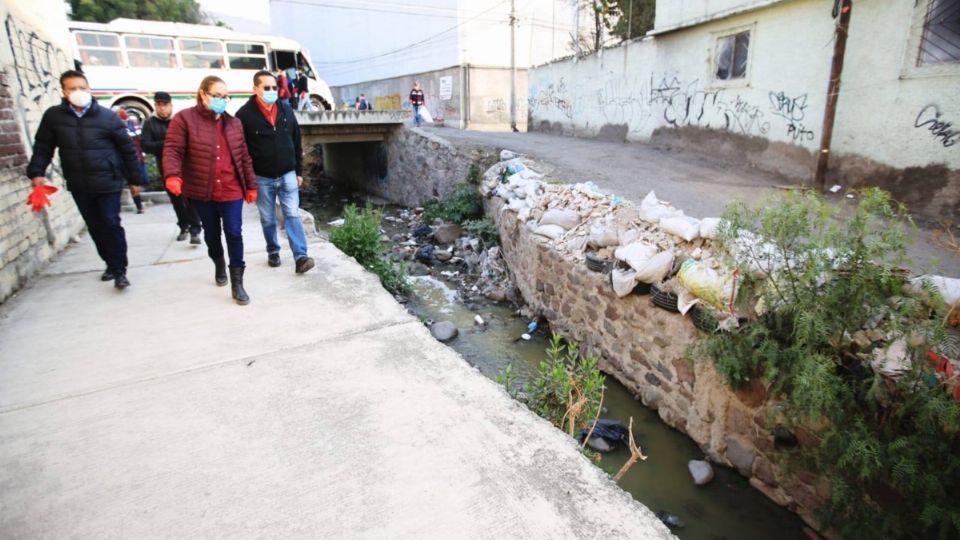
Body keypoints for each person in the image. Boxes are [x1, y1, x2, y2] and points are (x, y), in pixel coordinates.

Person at [26, 70, 143, 289]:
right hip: (79, 183)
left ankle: (120, 270)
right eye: (72, 88)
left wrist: (134, 179)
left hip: (108, 181)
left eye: (82, 87)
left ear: (89, 89)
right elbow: (43, 147)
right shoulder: (54, 117)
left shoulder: (107, 118)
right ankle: (109, 263)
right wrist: (37, 172)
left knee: (110, 222)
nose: (78, 92)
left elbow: (127, 150)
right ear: (63, 91)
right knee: (95, 226)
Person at [163, 76, 258, 305]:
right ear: (203, 94)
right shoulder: (184, 120)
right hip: (202, 191)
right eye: (217, 95)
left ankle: (238, 283)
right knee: (212, 234)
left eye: (226, 96)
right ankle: (218, 261)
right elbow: (173, 150)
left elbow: (243, 157)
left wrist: (251, 185)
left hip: (231, 188)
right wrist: (173, 175)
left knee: (234, 232)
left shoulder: (234, 123)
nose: (222, 100)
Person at [237, 70, 315, 274]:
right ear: (256, 89)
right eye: (267, 88)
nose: (272, 91)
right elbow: (241, 150)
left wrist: (298, 171)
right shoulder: (244, 115)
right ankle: (273, 250)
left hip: (288, 174)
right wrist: (247, 181)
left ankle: (301, 256)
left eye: (274, 87)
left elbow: (296, 141)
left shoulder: (286, 110)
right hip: (262, 178)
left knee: (292, 214)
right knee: (268, 218)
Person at [142, 91, 202, 243]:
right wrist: (169, 144)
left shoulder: (179, 120)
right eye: (159, 105)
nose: (162, 108)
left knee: (189, 198)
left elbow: (191, 141)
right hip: (166, 168)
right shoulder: (150, 123)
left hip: (185, 166)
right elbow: (145, 146)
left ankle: (195, 230)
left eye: (165, 105)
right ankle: (184, 226)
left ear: (170, 105)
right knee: (176, 200)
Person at [117, 109, 146, 214]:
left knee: (133, 184)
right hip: (131, 159)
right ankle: (139, 206)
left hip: (131, 159)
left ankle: (139, 206)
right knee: (133, 184)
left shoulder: (127, 128)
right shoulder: (132, 128)